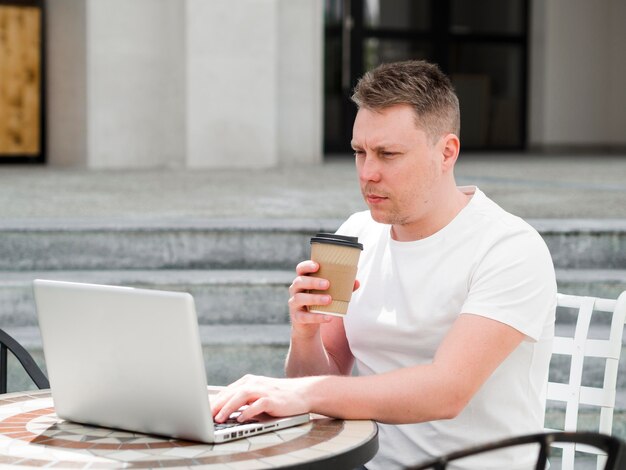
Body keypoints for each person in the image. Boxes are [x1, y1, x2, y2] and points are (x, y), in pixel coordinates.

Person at [211, 60, 557, 469]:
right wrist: (306, 336)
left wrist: (305, 393)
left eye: (388, 154)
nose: (368, 173)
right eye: (360, 152)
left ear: (446, 152)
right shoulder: (357, 234)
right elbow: (325, 377)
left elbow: (446, 392)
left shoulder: (509, 248)